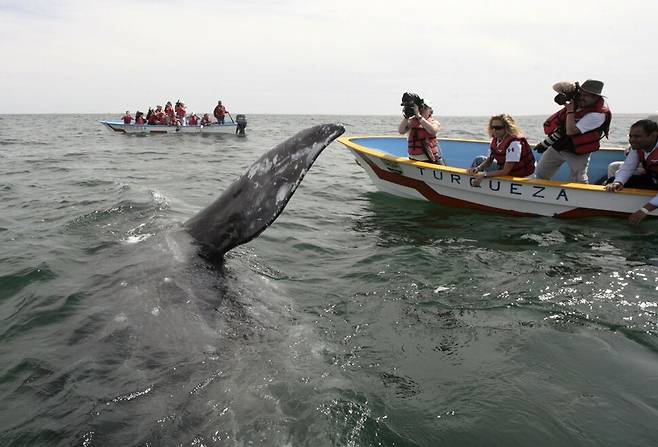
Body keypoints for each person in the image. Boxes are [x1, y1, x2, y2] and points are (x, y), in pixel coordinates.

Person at [534, 79, 612, 183]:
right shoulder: (578, 97)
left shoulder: (598, 115)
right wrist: (569, 87)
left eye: (586, 95)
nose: (582, 98)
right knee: (540, 173)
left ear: (596, 97)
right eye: (581, 94)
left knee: (578, 180)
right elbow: (555, 87)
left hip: (578, 150)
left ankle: (582, 198)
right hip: (559, 144)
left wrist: (570, 110)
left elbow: (571, 131)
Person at [604, 119, 658, 224]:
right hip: (653, 178)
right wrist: (617, 182)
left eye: (637, 136)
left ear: (653, 135)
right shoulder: (637, 147)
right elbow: (628, 166)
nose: (632, 140)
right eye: (630, 136)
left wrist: (644, 210)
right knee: (611, 181)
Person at [467, 114, 535, 186]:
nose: (494, 130)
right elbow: (489, 160)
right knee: (479, 160)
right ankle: (471, 182)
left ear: (507, 128)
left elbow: (505, 171)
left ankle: (474, 184)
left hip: (520, 175)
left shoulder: (514, 144)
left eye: (498, 128)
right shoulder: (496, 140)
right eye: (492, 127)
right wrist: (478, 168)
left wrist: (484, 175)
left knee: (484, 173)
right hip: (504, 169)